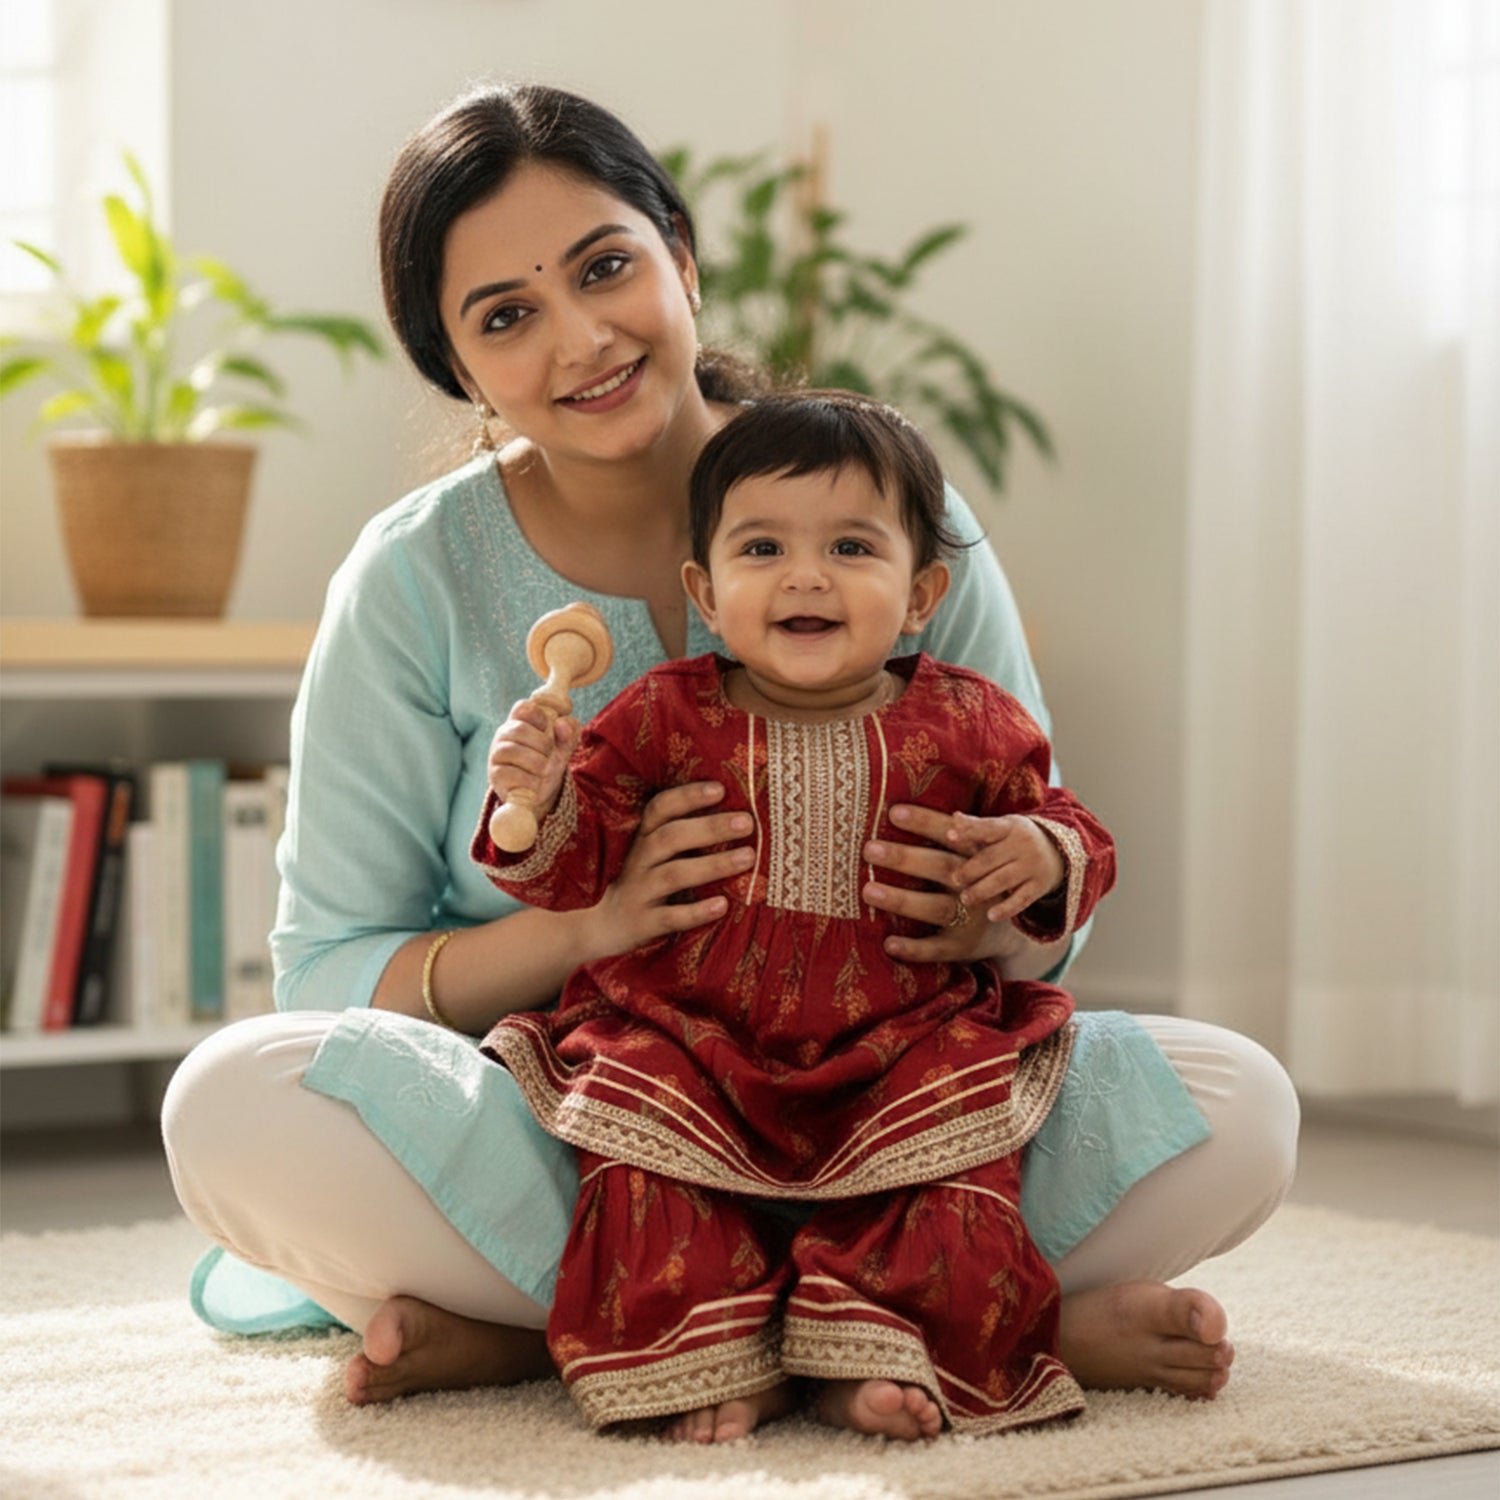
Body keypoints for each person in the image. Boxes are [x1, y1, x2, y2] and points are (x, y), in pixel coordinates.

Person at [160, 81, 1298, 1425]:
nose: (582, 337)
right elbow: (330, 971)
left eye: (607, 267)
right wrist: (592, 930)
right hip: (595, 1116)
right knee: (234, 1103)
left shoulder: (899, 520)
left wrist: (999, 902)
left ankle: (591, 1326)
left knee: (1238, 1104)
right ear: (458, 369)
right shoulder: (410, 582)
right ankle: (933, 1315)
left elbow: (1045, 915)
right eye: (507, 316)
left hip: (902, 1112)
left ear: (682, 263)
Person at [474, 390, 1118, 1441]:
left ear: (921, 595)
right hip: (690, 1044)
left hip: (903, 1049)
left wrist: (1038, 854)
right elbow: (569, 867)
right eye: (763, 546)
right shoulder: (657, 717)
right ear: (707, 592)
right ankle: (721, 1357)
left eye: (852, 547)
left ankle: (872, 1357)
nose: (806, 575)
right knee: (640, 1174)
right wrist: (533, 802)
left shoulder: (971, 721)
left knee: (957, 1178)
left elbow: (1070, 829)